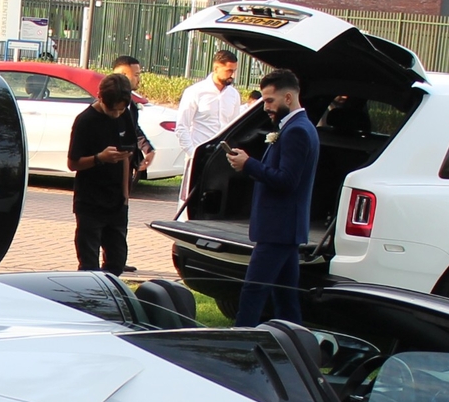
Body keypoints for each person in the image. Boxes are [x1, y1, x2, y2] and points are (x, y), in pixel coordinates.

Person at [222, 69, 320, 324]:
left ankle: (241, 339)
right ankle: (293, 340)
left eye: (269, 100)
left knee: (254, 289)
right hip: (285, 228)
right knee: (285, 295)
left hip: (278, 227)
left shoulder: (297, 131)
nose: (265, 107)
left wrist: (249, 165)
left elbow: (287, 181)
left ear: (288, 98)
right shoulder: (298, 127)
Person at [68, 74, 146, 273]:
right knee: (89, 263)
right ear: (100, 98)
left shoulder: (124, 115)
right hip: (90, 201)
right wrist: (99, 158)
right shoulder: (85, 121)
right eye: (113, 109)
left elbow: (127, 154)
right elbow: (73, 163)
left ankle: (111, 291)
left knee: (117, 260)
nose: (116, 114)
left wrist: (126, 195)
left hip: (117, 200)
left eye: (121, 109)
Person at [172, 50, 243, 192]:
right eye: (229, 71)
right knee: (193, 198)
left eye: (234, 71)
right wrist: (193, 154)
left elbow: (235, 128)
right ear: (216, 68)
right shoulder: (195, 92)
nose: (232, 75)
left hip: (223, 158)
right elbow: (181, 127)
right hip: (200, 154)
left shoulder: (234, 95)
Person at [108, 55, 156, 176]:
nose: (138, 79)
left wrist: (148, 149)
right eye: (136, 75)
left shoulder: (132, 104)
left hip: (124, 169)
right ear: (123, 75)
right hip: (107, 170)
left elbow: (133, 129)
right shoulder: (107, 105)